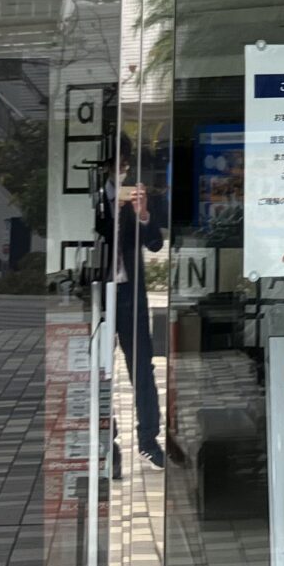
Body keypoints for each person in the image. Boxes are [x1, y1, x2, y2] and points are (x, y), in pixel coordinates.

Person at [116, 181, 164, 468]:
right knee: (95, 372)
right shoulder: (91, 200)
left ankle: (148, 440)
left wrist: (143, 214)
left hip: (129, 296)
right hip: (94, 296)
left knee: (143, 369)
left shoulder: (134, 200)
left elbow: (155, 243)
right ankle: (107, 446)